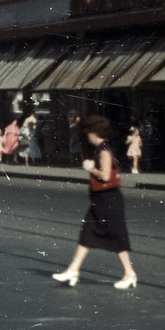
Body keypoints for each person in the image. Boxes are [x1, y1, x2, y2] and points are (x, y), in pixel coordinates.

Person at [50, 116, 137, 290]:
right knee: (87, 233)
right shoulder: (101, 148)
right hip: (101, 199)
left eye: (88, 132)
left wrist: (90, 168)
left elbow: (105, 176)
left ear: (94, 132)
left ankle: (129, 273)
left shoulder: (104, 150)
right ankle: (73, 270)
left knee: (116, 235)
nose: (87, 135)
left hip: (108, 199)